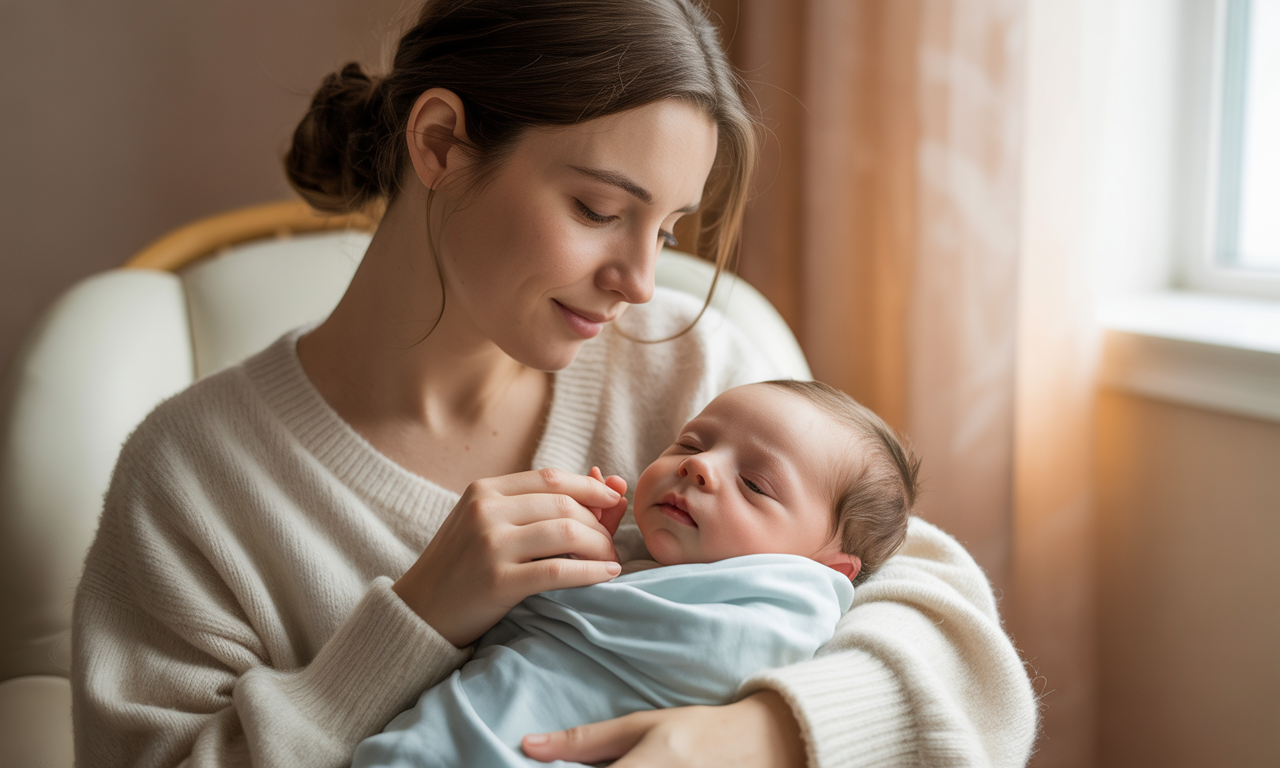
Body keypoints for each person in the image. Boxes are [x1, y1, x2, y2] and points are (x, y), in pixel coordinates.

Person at [71, 1, 1038, 767]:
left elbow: (964, 662)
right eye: (596, 208)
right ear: (442, 144)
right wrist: (412, 623)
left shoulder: (700, 377)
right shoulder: (194, 477)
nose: (641, 281)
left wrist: (760, 739)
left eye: (664, 229)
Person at [351, 379, 917, 768]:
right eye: (691, 442)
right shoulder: (636, 559)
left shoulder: (792, 602)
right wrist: (576, 554)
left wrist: (556, 586)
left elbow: (706, 659)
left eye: (755, 485)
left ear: (827, 567)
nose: (698, 466)